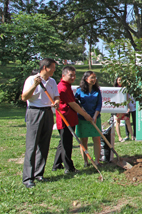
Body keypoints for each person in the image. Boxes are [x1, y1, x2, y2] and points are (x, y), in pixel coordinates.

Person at [21, 58, 60, 188]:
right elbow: (24, 97)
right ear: (45, 68)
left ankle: (39, 173)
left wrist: (57, 101)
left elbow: (56, 95)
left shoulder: (52, 81)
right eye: (52, 67)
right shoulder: (31, 80)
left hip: (48, 112)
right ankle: (28, 178)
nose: (54, 69)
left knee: (44, 144)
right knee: (32, 146)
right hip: (34, 112)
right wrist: (34, 85)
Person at [53, 66, 93, 174]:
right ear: (63, 75)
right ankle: (69, 168)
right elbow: (73, 105)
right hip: (65, 119)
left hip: (69, 117)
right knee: (67, 144)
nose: (73, 77)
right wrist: (85, 115)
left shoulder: (67, 85)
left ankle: (56, 165)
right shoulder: (63, 87)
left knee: (63, 142)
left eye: (74, 75)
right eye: (71, 75)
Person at [75, 71, 102, 166]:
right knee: (83, 140)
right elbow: (76, 104)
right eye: (92, 77)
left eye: (95, 77)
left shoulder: (97, 90)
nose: (94, 79)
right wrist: (84, 114)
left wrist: (94, 116)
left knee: (96, 139)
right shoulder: (79, 91)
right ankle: (86, 161)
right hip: (82, 119)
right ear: (86, 79)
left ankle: (97, 161)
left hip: (95, 118)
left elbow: (99, 105)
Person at [114, 77, 135, 142]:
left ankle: (132, 136)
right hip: (117, 107)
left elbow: (126, 97)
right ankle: (120, 137)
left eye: (121, 80)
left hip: (124, 107)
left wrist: (128, 106)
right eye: (119, 80)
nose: (120, 81)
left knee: (127, 121)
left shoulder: (125, 88)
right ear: (116, 81)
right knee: (118, 122)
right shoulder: (114, 89)